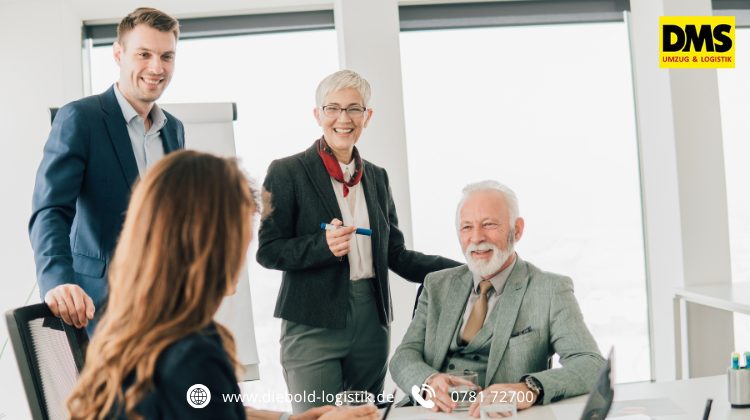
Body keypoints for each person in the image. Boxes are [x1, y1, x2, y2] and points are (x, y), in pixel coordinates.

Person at [66, 151, 381, 420]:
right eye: (241, 233)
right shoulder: (193, 355)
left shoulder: (132, 329)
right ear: (207, 243)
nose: (245, 251)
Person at [257, 70, 462, 413]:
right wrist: (321, 246)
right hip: (312, 320)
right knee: (319, 418)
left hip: (372, 321)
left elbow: (396, 254)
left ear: (367, 116)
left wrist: (465, 271)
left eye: (354, 109)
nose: (343, 118)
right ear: (318, 114)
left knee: (367, 417)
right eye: (333, 108)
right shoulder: (287, 171)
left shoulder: (377, 177)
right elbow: (268, 250)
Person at [29, 7, 185, 333]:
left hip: (165, 309)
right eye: (144, 54)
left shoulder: (174, 129)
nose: (156, 68)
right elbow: (51, 209)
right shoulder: (81, 118)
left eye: (166, 56)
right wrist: (57, 281)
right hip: (98, 308)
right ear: (118, 54)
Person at [389, 180, 605, 415]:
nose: (476, 238)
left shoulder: (551, 290)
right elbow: (403, 356)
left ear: (517, 230)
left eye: (489, 224)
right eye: (467, 227)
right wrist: (428, 381)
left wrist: (527, 389)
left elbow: (591, 364)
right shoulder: (436, 284)